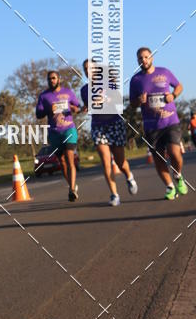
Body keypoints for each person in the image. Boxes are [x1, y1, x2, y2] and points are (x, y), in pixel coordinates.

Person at [129, 47, 187, 200]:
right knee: (159, 158)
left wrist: (173, 95)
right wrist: (138, 101)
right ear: (138, 61)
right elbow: (132, 103)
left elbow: (179, 86)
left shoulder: (164, 72)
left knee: (174, 153)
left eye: (146, 57)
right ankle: (169, 187)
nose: (144, 60)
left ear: (152, 58)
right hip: (151, 126)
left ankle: (178, 175)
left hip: (170, 121)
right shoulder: (135, 80)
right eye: (140, 58)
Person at [80, 59, 137, 206]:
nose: (88, 71)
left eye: (91, 68)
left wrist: (105, 98)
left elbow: (117, 100)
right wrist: (87, 107)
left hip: (114, 123)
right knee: (106, 162)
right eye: (85, 69)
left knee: (120, 161)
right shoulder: (84, 90)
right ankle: (114, 194)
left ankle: (129, 176)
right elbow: (88, 107)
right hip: (98, 126)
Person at [36, 70, 81, 201]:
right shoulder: (44, 96)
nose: (52, 81)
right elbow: (38, 114)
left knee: (69, 157)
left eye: (54, 78)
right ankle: (72, 185)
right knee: (62, 162)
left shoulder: (68, 92)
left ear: (59, 79)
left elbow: (78, 107)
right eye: (49, 79)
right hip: (54, 132)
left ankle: (72, 190)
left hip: (69, 129)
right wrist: (47, 110)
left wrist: (74, 109)